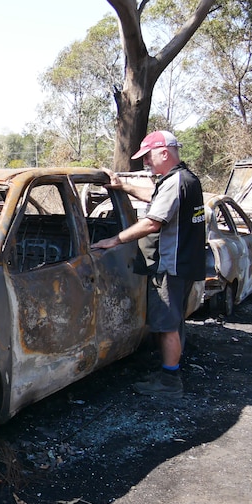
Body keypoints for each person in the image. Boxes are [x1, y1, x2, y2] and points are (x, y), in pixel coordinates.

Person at [91, 130, 205, 398]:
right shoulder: (185, 179)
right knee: (173, 321)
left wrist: (115, 239)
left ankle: (169, 382)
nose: (146, 163)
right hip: (184, 264)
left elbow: (153, 221)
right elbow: (156, 196)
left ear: (164, 153)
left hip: (170, 267)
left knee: (166, 325)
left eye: (149, 157)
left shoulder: (176, 182)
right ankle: (170, 369)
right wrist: (125, 187)